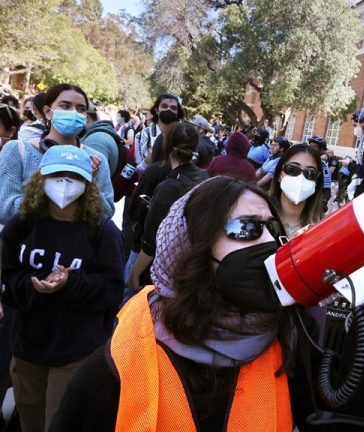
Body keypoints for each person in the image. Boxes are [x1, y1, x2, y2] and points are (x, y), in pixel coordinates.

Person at [50, 176, 364, 431]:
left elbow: (340, 415)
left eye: (271, 229)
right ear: (191, 250)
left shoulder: (287, 337)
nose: (268, 245)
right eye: (246, 229)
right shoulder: (113, 372)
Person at [1, 145, 123, 432]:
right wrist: (34, 286)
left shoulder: (101, 231)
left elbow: (113, 290)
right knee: (30, 422)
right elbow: (7, 275)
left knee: (61, 423)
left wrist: (71, 284)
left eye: (74, 177)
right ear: (40, 179)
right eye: (57, 175)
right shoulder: (22, 224)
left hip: (76, 349)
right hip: (27, 345)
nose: (65, 184)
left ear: (87, 185)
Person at [0, 84, 115, 225]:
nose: (74, 113)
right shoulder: (17, 150)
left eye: (81, 109)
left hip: (74, 244)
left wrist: (88, 181)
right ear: (48, 112)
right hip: (27, 244)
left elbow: (107, 212)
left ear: (85, 117)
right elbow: (5, 209)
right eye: (65, 106)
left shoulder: (97, 160)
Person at [127, 122, 209, 295]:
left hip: (162, 271)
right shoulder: (204, 177)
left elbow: (152, 240)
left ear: (166, 145)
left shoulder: (169, 186)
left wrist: (134, 273)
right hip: (189, 266)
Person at [267, 143, 324, 238]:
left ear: (317, 181)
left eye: (310, 173)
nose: (300, 179)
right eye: (292, 169)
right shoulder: (260, 214)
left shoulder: (322, 225)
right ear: (279, 175)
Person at [149, 94, 185, 164]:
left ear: (177, 113)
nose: (169, 109)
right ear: (156, 110)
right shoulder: (142, 135)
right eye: (164, 106)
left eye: (173, 108)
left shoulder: (183, 136)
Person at [307, 135, 332, 211]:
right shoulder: (303, 160)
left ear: (321, 150)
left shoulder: (323, 167)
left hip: (313, 201)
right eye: (310, 145)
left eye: (314, 146)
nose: (311, 148)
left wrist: (324, 202)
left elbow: (327, 188)